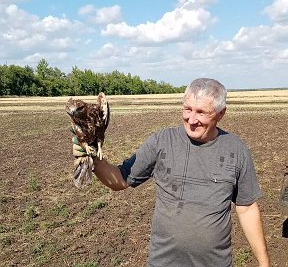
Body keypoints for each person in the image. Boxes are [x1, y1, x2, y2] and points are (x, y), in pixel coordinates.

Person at [72, 78, 270, 267]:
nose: (191, 119)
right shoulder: (162, 142)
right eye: (187, 109)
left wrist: (264, 263)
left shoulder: (236, 150)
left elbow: (247, 208)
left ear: (221, 113)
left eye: (201, 112)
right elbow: (120, 180)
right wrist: (92, 158)